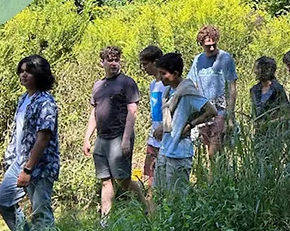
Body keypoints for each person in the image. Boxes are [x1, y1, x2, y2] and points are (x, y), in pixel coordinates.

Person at [0, 55, 60, 231]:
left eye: (29, 71)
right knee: (3, 201)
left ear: (39, 74)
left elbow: (43, 137)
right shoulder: (24, 99)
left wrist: (28, 168)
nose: (24, 75)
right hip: (19, 160)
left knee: (40, 210)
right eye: (21, 71)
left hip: (40, 164)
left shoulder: (46, 102)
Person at [83, 46, 149, 220]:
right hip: (101, 139)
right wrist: (87, 138)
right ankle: (105, 222)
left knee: (123, 179)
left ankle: (147, 207)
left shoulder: (127, 82)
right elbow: (94, 113)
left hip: (119, 137)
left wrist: (126, 139)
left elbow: (132, 111)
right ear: (102, 62)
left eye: (116, 60)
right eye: (110, 60)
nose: (114, 63)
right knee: (105, 180)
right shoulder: (98, 86)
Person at [153, 52, 217, 197]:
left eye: (163, 73)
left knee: (178, 196)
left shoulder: (187, 91)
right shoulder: (170, 91)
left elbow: (211, 111)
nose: (160, 77)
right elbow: (174, 118)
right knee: (161, 193)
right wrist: (164, 127)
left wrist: (191, 124)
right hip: (166, 147)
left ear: (175, 74)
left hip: (179, 150)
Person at [188, 25, 238, 160]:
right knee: (208, 150)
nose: (211, 48)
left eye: (213, 45)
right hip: (204, 111)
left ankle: (212, 179)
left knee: (213, 151)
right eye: (207, 45)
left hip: (220, 111)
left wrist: (230, 113)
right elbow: (192, 84)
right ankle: (219, 177)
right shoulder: (198, 60)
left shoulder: (225, 58)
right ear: (201, 44)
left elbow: (232, 86)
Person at [139, 45, 165, 190]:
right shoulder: (152, 85)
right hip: (153, 135)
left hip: (165, 134)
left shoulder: (168, 84)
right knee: (150, 174)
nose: (144, 68)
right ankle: (152, 207)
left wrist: (163, 127)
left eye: (145, 64)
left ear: (155, 62)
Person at [249, 56, 289, 151]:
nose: (255, 71)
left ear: (266, 70)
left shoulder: (277, 89)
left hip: (274, 136)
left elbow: (287, 114)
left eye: (257, 68)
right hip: (259, 136)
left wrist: (268, 123)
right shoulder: (254, 90)